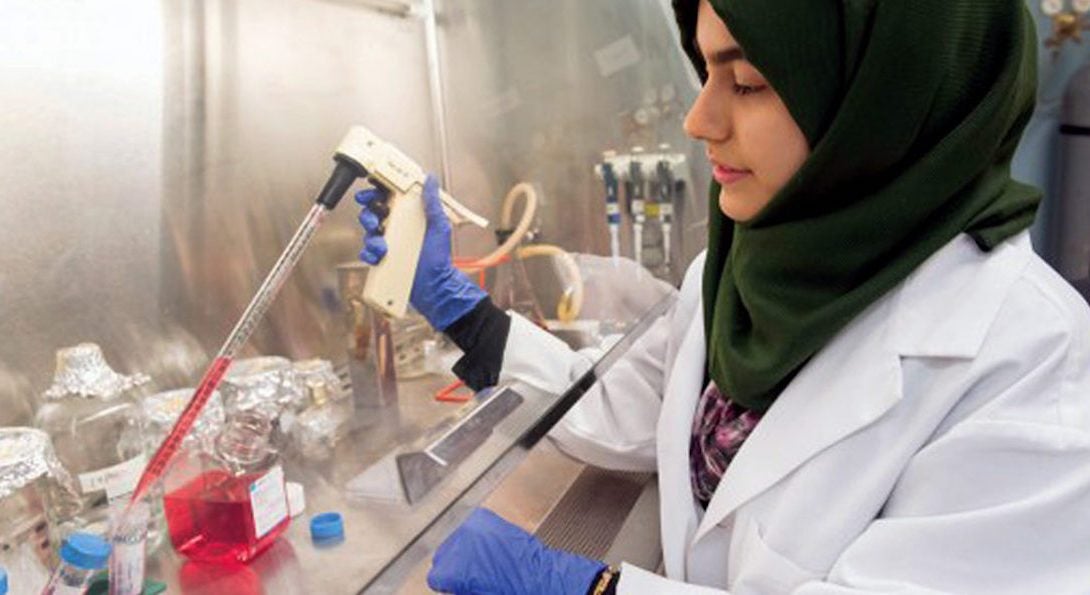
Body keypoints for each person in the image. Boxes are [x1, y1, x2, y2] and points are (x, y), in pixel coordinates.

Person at [357, 0, 1090, 592]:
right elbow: (623, 408)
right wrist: (464, 312)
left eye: (747, 83)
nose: (698, 119)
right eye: (705, 71)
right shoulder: (740, 267)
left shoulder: (1029, 359)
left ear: (885, 94)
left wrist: (595, 590)